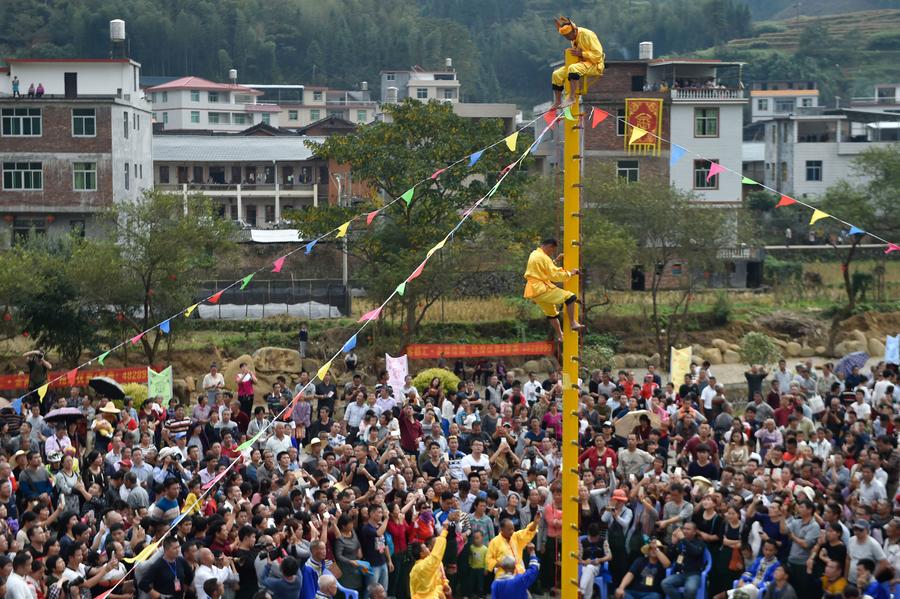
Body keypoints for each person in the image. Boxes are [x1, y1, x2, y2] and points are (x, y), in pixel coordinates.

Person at [522, 238, 583, 341]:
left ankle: (560, 335)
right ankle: (573, 323)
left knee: (551, 314)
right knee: (570, 297)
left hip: (534, 291)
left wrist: (555, 261)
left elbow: (543, 269)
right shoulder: (544, 258)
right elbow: (554, 275)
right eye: (553, 250)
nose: (552, 252)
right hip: (541, 289)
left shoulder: (534, 254)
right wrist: (570, 273)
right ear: (550, 246)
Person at [550, 16, 605, 108]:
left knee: (573, 68)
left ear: (574, 30)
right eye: (565, 36)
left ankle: (572, 97)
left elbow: (598, 55)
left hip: (595, 64)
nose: (567, 38)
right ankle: (558, 101)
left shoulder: (587, 35)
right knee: (556, 74)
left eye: (568, 35)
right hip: (581, 63)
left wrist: (582, 54)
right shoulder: (574, 38)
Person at [660, 521, 707, 599]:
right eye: (684, 528)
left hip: (694, 574)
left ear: (694, 532)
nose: (685, 531)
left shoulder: (699, 543)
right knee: (665, 583)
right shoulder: (679, 543)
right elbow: (670, 557)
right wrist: (673, 544)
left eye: (688, 529)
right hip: (680, 574)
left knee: (690, 589)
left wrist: (683, 539)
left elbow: (695, 552)